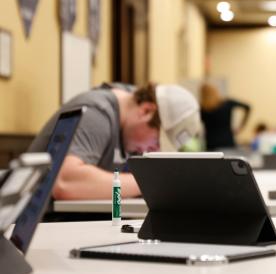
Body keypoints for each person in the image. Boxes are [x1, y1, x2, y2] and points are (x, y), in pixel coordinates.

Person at [29, 82, 200, 200]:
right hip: (39, 230)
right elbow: (65, 183)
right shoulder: (96, 112)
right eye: (156, 141)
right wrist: (152, 183)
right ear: (146, 111)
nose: (153, 150)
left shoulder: (129, 120)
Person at [199, 82, 251, 151]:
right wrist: (241, 126)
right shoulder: (227, 103)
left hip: (211, 144)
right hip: (227, 142)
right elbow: (247, 107)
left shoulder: (203, 109)